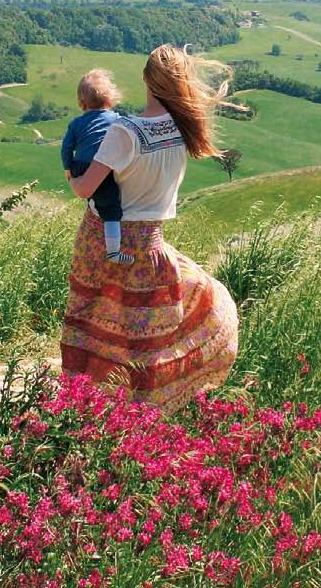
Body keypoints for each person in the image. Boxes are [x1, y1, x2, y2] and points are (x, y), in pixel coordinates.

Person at [63, 44, 240, 412]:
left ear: (146, 80)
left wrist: (68, 169)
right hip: (151, 250)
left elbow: (84, 189)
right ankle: (141, 428)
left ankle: (84, 416)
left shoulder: (124, 133)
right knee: (143, 344)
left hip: (101, 243)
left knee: (91, 330)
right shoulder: (183, 131)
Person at [61, 69, 130, 264]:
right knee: (111, 210)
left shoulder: (76, 123)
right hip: (101, 167)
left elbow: (66, 148)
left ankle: (93, 207)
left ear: (81, 103)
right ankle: (114, 252)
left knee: (96, 202)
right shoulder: (116, 119)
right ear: (111, 100)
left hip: (79, 167)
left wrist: (69, 170)